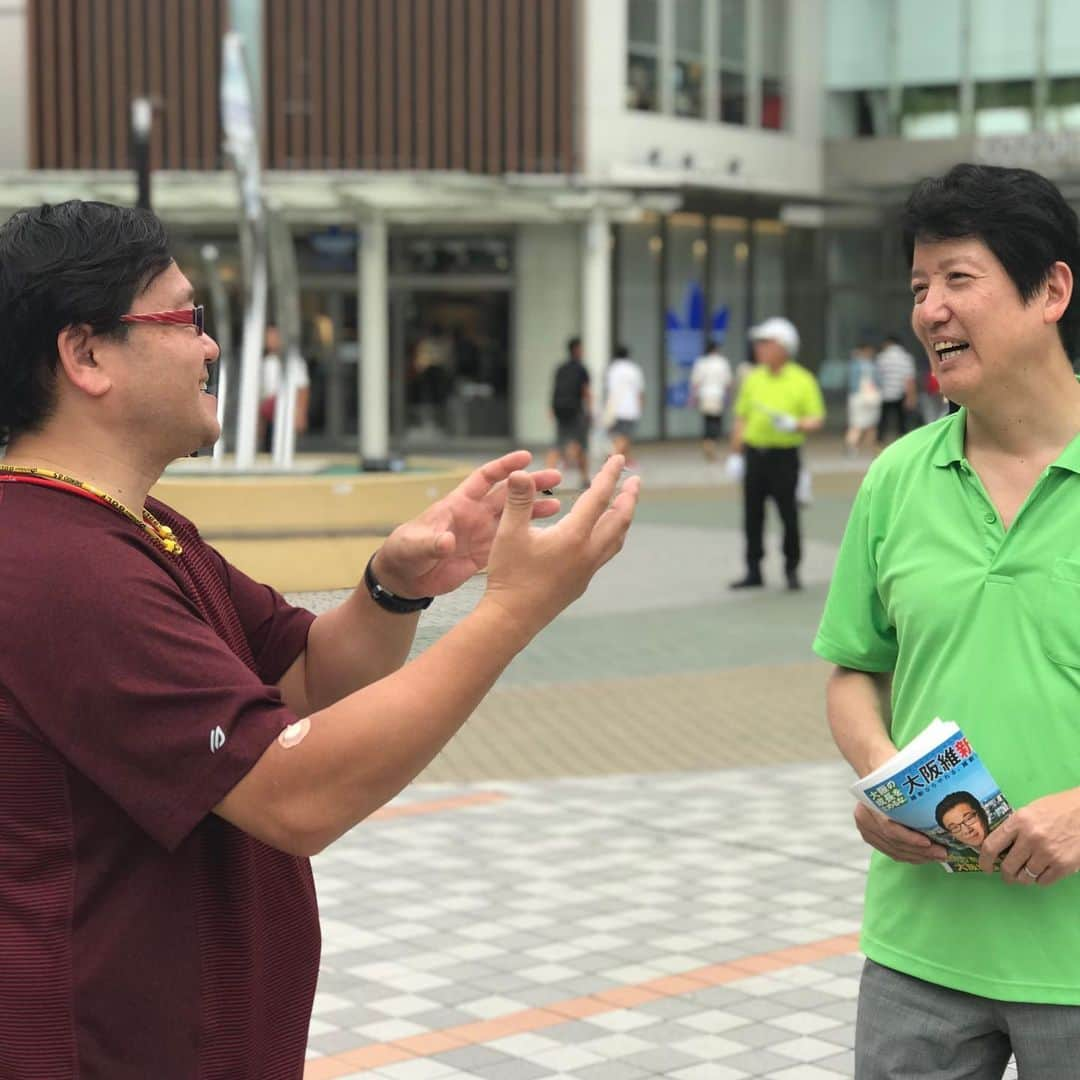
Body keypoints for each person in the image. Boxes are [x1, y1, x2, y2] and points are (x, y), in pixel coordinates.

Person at [0, 200, 639, 1079]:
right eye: (184, 318)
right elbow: (292, 796)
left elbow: (302, 676)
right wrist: (512, 612)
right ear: (86, 354)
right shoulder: (58, 565)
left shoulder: (136, 530)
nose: (212, 346)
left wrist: (394, 586)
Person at [814, 163, 1080, 1080]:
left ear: (1052, 288)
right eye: (920, 286)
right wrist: (882, 780)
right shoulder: (896, 477)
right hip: (918, 952)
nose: (930, 310)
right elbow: (855, 669)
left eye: (959, 279)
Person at [729, 316, 825, 591]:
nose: (759, 348)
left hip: (784, 456)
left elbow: (816, 419)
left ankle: (791, 568)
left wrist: (795, 423)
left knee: (788, 513)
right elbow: (741, 417)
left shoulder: (802, 380)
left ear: (784, 347)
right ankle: (753, 569)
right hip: (754, 454)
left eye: (765, 343)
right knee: (752, 514)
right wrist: (735, 452)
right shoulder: (753, 378)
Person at [545, 335, 591, 488]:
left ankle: (546, 482)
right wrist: (590, 411)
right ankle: (584, 479)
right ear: (577, 349)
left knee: (557, 445)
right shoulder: (581, 369)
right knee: (582, 445)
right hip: (576, 411)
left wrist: (551, 408)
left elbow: (555, 390)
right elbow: (586, 392)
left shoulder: (560, 368)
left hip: (560, 411)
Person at [258, 323, 310, 454]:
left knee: (285, 444)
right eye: (268, 337)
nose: (271, 340)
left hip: (287, 410)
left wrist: (301, 414)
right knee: (267, 446)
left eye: (274, 336)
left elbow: (302, 388)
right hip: (268, 411)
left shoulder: (294, 361)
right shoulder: (262, 362)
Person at [690, 338, 733, 461]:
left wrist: (693, 397)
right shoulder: (722, 362)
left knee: (707, 421)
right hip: (717, 395)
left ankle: (707, 444)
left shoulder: (701, 363)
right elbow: (728, 382)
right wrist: (728, 396)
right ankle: (711, 444)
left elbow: (695, 382)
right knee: (716, 422)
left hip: (704, 395)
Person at [874, 332, 918, 443]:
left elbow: (877, 377)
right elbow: (909, 379)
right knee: (902, 421)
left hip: (885, 393)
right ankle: (903, 441)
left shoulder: (881, 357)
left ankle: (879, 442)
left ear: (888, 343)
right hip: (900, 393)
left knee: (883, 420)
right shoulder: (906, 358)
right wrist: (911, 396)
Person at [604, 344, 645, 461]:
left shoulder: (612, 369)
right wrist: (640, 406)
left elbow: (608, 389)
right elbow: (640, 391)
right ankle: (613, 457)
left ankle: (625, 460)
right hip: (630, 408)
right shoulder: (633, 369)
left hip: (614, 407)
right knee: (625, 436)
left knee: (618, 436)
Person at [844, 341, 881, 457]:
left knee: (856, 424)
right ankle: (872, 449)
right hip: (871, 396)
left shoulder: (854, 364)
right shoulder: (872, 365)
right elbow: (878, 381)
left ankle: (852, 448)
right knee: (870, 425)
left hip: (857, 396)